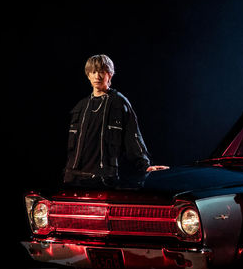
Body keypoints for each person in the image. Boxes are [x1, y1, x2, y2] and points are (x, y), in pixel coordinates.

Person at [63, 54, 168, 188]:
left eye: (101, 72)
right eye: (93, 72)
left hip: (104, 179)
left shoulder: (119, 102)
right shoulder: (81, 106)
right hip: (74, 179)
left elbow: (133, 136)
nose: (97, 76)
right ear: (88, 75)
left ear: (110, 74)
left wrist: (145, 166)